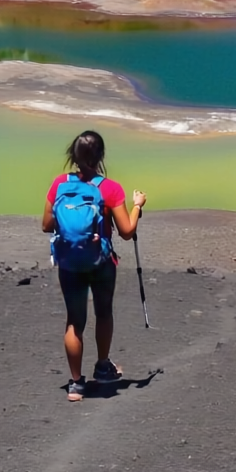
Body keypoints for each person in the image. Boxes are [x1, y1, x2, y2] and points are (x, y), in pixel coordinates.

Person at [43, 129, 146, 401]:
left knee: (74, 322)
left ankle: (76, 385)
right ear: (101, 155)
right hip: (101, 262)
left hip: (69, 262)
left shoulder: (59, 185)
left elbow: (45, 225)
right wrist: (137, 206)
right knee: (103, 312)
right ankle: (103, 367)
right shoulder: (110, 188)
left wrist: (70, 224)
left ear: (73, 155)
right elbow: (126, 231)